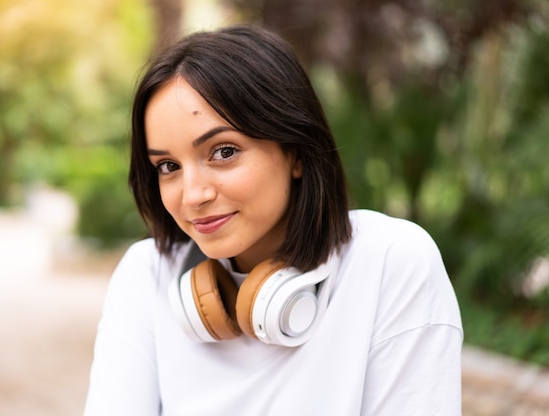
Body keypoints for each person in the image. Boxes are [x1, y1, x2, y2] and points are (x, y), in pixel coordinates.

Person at [84, 25, 463, 416]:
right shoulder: (146, 274)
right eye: (167, 166)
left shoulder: (389, 261)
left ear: (296, 152)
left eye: (224, 151)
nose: (193, 195)